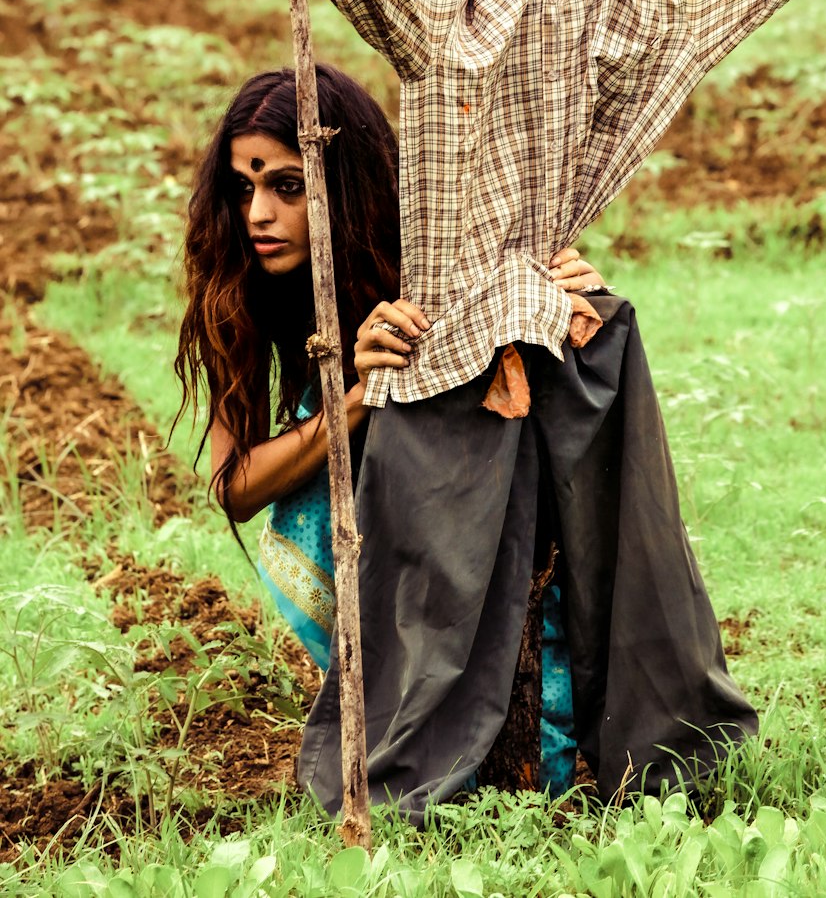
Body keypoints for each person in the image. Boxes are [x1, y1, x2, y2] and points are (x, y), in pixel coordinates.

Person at [248, 0, 826, 819]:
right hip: (569, 329)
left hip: (452, 345)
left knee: (436, 596)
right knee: (622, 577)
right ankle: (633, 767)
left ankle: (410, 790)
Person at [173, 63, 625, 792]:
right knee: (312, 486)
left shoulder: (432, 254)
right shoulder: (238, 280)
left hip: (481, 513)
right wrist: (355, 399)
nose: (257, 212)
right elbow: (236, 487)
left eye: (288, 187)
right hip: (369, 511)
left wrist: (562, 296)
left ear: (343, 187)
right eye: (243, 187)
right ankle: (388, 693)